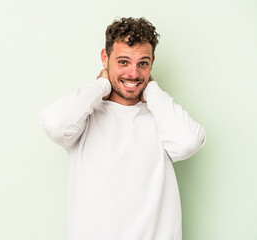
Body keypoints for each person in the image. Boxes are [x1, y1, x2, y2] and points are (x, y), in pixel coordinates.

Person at [39, 17, 206, 240]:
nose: (134, 74)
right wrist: (101, 85)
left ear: (152, 62)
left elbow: (189, 142)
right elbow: (54, 123)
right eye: (123, 62)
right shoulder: (84, 119)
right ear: (105, 59)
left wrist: (152, 91)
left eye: (143, 63)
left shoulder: (162, 119)